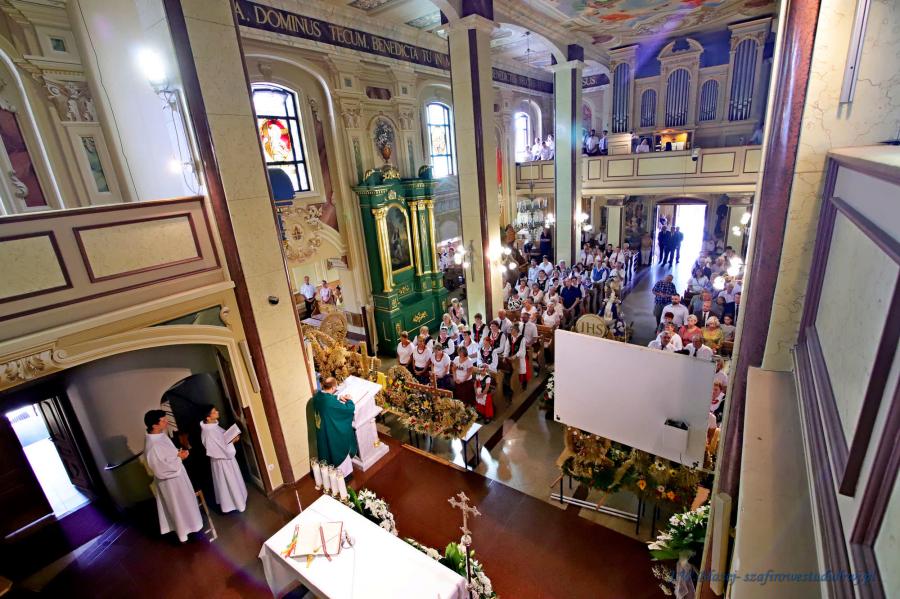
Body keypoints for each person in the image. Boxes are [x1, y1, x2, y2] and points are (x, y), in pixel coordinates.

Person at [143, 410, 203, 543]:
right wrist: (179, 458)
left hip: (178, 477)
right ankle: (184, 534)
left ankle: (193, 526)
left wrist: (178, 454)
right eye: (163, 420)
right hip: (170, 483)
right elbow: (160, 469)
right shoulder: (152, 446)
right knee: (178, 507)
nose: (167, 422)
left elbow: (168, 456)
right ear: (154, 425)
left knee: (186, 503)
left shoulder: (160, 436)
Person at [199, 406, 247, 513]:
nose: (217, 412)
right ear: (208, 417)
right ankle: (237, 504)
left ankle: (240, 499)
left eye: (216, 410)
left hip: (226, 459)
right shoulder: (208, 432)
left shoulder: (213, 426)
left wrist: (232, 438)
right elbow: (217, 449)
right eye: (214, 412)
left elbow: (222, 440)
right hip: (222, 462)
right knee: (229, 482)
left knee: (233, 480)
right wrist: (232, 442)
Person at [312, 377, 357, 475]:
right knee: (338, 450)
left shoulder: (317, 396)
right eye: (335, 387)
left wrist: (338, 397)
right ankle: (344, 474)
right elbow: (348, 409)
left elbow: (326, 400)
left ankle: (331, 473)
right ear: (333, 388)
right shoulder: (330, 402)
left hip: (322, 430)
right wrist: (349, 400)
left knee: (326, 451)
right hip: (332, 432)